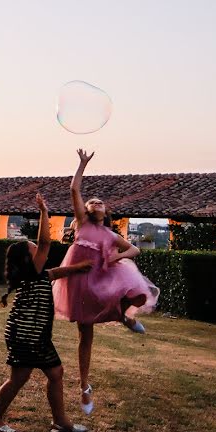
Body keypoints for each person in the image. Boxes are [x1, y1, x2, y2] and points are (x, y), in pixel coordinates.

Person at [53, 150, 160, 415]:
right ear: (87, 210)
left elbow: (134, 251)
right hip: (78, 281)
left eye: (101, 201)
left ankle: (127, 317)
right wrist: (82, 164)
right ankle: (85, 388)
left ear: (106, 210)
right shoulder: (81, 223)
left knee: (136, 291)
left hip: (99, 279)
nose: (96, 202)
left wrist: (116, 257)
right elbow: (74, 189)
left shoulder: (110, 234)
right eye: (93, 201)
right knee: (85, 336)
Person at [0, 194, 91, 432]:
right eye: (34, 250)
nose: (39, 249)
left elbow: (55, 273)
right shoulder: (31, 272)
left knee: (55, 373)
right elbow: (45, 243)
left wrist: (79, 268)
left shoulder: (37, 274)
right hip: (25, 334)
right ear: (28, 259)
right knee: (19, 378)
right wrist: (44, 212)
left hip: (36, 335)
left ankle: (60, 422)